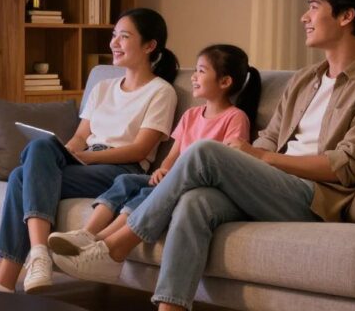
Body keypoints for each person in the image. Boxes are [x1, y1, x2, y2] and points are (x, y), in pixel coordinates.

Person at [52, 0, 355, 311]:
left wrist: (257, 160)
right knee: (196, 200)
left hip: (315, 197)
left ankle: (114, 248)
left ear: (346, 16)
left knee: (205, 152)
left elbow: (347, 167)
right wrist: (247, 158)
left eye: (314, 7)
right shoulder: (306, 80)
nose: (304, 17)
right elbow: (269, 139)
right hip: (271, 187)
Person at [0, 8, 180, 294]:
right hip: (86, 162)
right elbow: (80, 137)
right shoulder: (103, 87)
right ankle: (38, 254)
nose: (114, 43)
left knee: (19, 177)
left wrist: (88, 157)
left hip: (121, 170)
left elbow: (140, 149)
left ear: (150, 46)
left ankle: (7, 279)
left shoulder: (161, 92)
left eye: (124, 37)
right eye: (113, 35)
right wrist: (61, 155)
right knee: (38, 151)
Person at [48, 44, 261, 256]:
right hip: (171, 179)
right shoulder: (192, 115)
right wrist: (163, 169)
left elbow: (229, 162)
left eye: (201, 71)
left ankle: (101, 240)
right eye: (195, 70)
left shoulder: (235, 118)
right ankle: (87, 233)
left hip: (191, 185)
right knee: (125, 181)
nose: (194, 76)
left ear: (225, 82)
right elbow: (173, 154)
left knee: (148, 193)